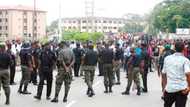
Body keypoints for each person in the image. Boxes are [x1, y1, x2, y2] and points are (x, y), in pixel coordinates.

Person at [162, 41, 190, 107]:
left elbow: (163, 74)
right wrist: (189, 86)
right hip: (182, 89)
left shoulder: (167, 59)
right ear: (184, 49)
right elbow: (188, 73)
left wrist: (164, 88)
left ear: (174, 48)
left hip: (170, 88)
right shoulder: (185, 60)